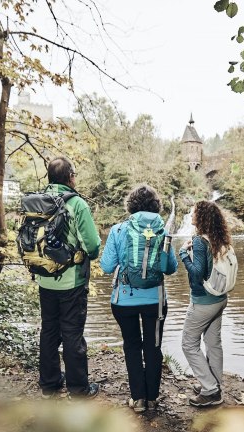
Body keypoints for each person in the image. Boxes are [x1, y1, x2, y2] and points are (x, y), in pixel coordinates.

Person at [100, 185, 178, 413]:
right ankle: (153, 398)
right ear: (156, 206)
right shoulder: (162, 231)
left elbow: (106, 267)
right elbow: (171, 268)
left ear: (130, 205)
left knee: (132, 346)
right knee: (153, 347)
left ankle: (138, 401)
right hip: (156, 302)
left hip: (124, 301)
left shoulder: (117, 230)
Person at [37, 157, 101, 399]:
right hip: (70, 281)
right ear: (71, 177)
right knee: (72, 332)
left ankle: (49, 385)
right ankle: (78, 389)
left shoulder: (37, 201)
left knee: (49, 330)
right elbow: (93, 246)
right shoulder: (77, 204)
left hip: (44, 277)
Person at [179, 200, 231, 407]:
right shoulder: (220, 239)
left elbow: (197, 273)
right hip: (220, 298)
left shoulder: (200, 241)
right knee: (213, 343)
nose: (191, 216)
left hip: (203, 301)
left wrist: (183, 253)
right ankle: (215, 384)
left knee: (188, 344)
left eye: (193, 213)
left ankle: (210, 390)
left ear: (201, 217)